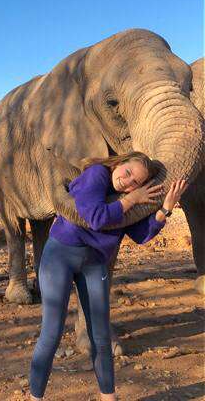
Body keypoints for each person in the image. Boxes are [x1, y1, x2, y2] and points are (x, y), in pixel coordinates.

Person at [29, 151, 187, 401]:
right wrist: (132, 199)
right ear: (118, 164)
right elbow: (95, 217)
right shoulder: (96, 175)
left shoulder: (127, 197)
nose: (127, 182)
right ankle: (35, 397)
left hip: (95, 262)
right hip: (59, 256)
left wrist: (165, 209)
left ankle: (108, 397)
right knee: (52, 332)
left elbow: (140, 234)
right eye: (127, 173)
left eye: (136, 182)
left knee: (101, 336)